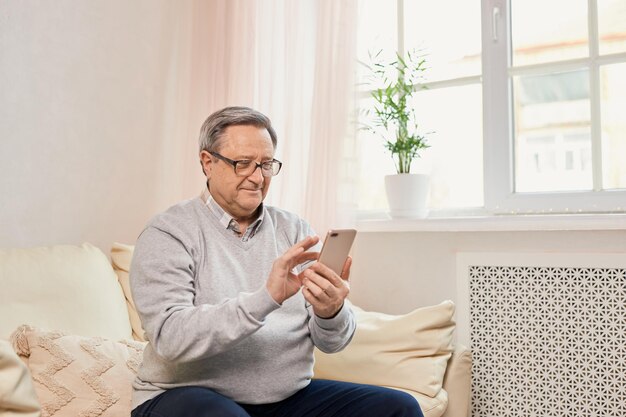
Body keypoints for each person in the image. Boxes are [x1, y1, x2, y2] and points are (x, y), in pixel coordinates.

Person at [129, 106, 424, 417]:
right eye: (243, 164)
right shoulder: (168, 232)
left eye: (266, 164)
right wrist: (266, 298)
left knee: (398, 408)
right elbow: (171, 338)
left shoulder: (295, 230)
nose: (257, 178)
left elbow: (333, 343)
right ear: (207, 163)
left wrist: (330, 311)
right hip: (184, 396)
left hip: (286, 399)